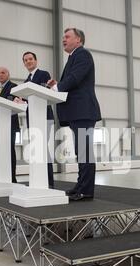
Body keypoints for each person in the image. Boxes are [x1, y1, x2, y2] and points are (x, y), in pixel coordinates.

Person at [47, 28, 101, 201]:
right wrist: (59, 84)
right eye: (63, 36)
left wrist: (58, 87)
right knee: (81, 151)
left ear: (78, 40)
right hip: (77, 112)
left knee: (84, 152)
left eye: (67, 36)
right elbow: (72, 79)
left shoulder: (82, 54)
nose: (64, 39)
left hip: (83, 111)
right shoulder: (74, 57)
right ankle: (81, 186)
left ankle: (86, 190)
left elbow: (75, 78)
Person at [18, 51, 55, 188]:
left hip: (44, 117)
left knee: (43, 150)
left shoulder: (43, 74)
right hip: (32, 119)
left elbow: (46, 92)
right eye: (25, 60)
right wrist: (19, 99)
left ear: (36, 60)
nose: (28, 61)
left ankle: (49, 182)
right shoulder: (26, 81)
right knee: (36, 150)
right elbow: (27, 98)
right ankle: (39, 181)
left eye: (30, 59)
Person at [0, 66, 20, 183]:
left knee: (9, 152)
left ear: (8, 74)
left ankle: (12, 179)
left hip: (9, 125)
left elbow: (14, 104)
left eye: (3, 72)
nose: (0, 75)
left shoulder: (14, 87)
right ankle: (2, 177)